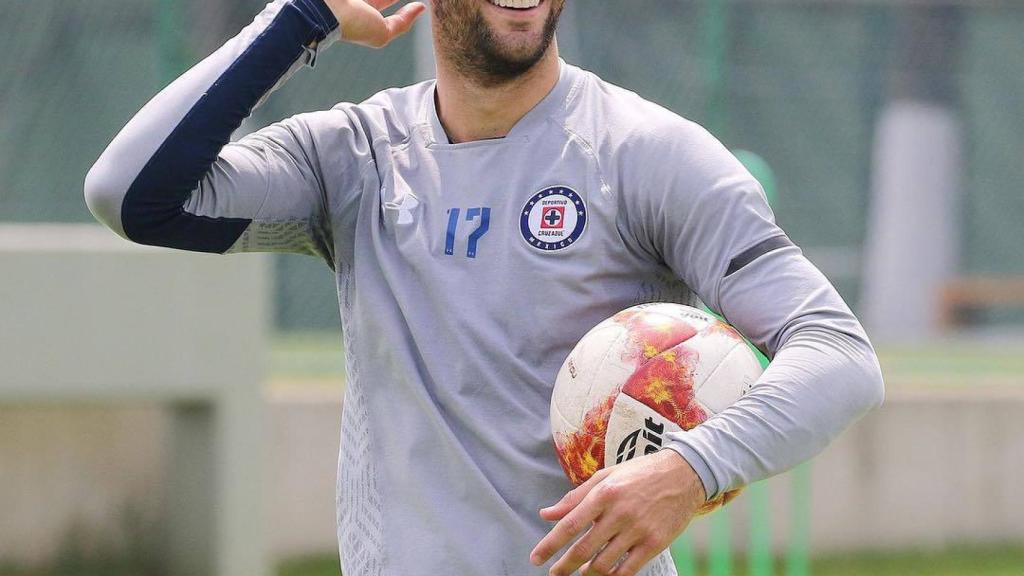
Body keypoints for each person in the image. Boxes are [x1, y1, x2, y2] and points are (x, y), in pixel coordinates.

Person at [84, 0, 885, 574]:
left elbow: (839, 353)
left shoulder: (646, 154)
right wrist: (300, 18)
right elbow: (133, 194)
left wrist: (688, 470)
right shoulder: (355, 156)